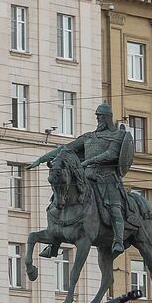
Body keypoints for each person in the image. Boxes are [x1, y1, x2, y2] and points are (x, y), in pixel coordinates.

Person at [29, 102, 130, 255]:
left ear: (108, 118)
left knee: (114, 208)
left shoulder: (117, 136)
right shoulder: (89, 137)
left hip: (107, 178)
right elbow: (64, 149)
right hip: (86, 176)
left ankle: (117, 240)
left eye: (101, 118)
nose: (99, 121)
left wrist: (89, 161)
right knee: (60, 198)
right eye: (97, 118)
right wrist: (41, 159)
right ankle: (54, 241)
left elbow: (111, 154)